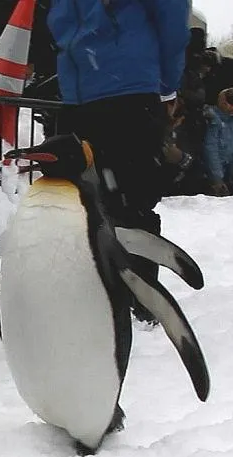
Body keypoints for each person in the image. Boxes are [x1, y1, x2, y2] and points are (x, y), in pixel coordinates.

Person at [47, 0, 190, 324]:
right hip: (88, 94)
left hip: (125, 89)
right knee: (85, 202)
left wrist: (165, 86)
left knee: (130, 199)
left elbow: (171, 19)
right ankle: (100, 290)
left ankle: (141, 299)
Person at [203, 88, 233, 196]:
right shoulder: (213, 120)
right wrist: (217, 178)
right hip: (212, 178)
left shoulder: (230, 121)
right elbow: (211, 149)